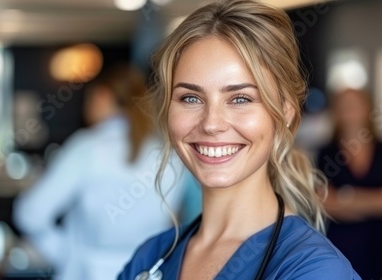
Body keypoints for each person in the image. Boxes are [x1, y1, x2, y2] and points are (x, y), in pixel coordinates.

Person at [118, 1, 360, 279]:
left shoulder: (313, 269)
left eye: (240, 99)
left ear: (285, 114)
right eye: (191, 98)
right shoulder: (151, 258)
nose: (211, 124)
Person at [13, 65, 186, 280]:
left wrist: (66, 254)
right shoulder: (171, 155)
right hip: (148, 274)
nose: (85, 107)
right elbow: (173, 226)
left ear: (103, 96)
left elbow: (29, 214)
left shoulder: (87, 147)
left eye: (89, 98)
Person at [317, 89, 382, 280]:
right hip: (340, 248)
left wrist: (347, 197)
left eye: (354, 105)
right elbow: (324, 201)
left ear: (367, 108)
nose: (350, 111)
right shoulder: (327, 153)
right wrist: (380, 201)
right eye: (344, 106)